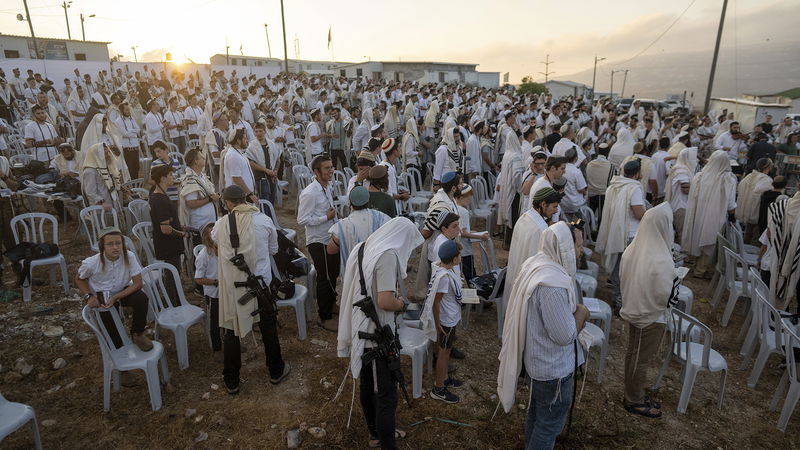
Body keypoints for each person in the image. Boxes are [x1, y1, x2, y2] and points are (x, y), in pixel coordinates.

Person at [497, 222, 589, 449]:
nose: (581, 251)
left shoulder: (537, 264)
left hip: (538, 363)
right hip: (552, 370)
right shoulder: (552, 285)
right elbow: (565, 335)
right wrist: (581, 314)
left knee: (537, 416)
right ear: (565, 247)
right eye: (578, 245)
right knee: (548, 425)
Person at [337, 218, 422, 449]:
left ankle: (375, 433)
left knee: (368, 385)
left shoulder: (364, 246)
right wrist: (401, 304)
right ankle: (385, 442)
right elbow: (385, 301)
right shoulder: (387, 256)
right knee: (386, 396)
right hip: (376, 335)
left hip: (363, 329)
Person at [212, 185, 289, 394]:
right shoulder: (264, 220)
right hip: (261, 284)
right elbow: (274, 250)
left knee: (231, 332)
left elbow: (214, 240)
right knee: (268, 328)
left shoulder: (220, 225)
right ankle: (276, 371)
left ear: (228, 203)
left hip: (233, 287)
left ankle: (232, 380)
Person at [620, 203, 677, 419]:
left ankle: (633, 393)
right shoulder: (661, 259)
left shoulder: (633, 249)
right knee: (641, 358)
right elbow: (664, 296)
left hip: (634, 308)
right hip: (651, 316)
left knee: (633, 353)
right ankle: (633, 399)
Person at [76, 227, 151, 351]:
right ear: (102, 247)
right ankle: (119, 353)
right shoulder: (91, 263)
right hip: (102, 296)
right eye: (110, 244)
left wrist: (116, 297)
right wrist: (89, 296)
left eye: (118, 243)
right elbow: (79, 279)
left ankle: (137, 333)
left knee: (141, 298)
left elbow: (138, 283)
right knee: (113, 333)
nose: (115, 247)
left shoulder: (129, 256)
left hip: (121, 290)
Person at [297, 155, 340, 332]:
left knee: (334, 272)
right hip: (318, 240)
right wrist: (326, 217)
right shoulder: (309, 192)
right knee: (325, 277)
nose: (331, 171)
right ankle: (324, 316)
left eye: (331, 167)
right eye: (326, 168)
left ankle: (330, 303)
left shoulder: (326, 186)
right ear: (316, 172)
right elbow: (302, 219)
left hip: (330, 237)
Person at [596, 159, 646, 307]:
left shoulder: (614, 185)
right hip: (630, 234)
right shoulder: (634, 188)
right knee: (627, 270)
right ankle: (621, 301)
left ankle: (617, 298)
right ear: (637, 174)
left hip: (616, 232)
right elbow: (638, 213)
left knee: (618, 266)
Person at [503, 186, 562, 313]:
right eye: (554, 206)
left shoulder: (525, 216)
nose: (556, 211)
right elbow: (536, 267)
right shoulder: (540, 229)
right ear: (543, 204)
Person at [421, 239, 464, 404]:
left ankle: (445, 378)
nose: (461, 257)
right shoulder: (444, 277)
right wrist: (438, 324)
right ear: (454, 259)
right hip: (446, 320)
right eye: (459, 255)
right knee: (443, 353)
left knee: (447, 349)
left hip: (450, 317)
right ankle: (438, 388)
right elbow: (436, 302)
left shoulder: (443, 268)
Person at [682, 150, 737, 279]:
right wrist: (733, 217)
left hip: (697, 213)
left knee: (697, 236)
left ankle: (696, 265)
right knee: (709, 239)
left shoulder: (699, 176)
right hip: (714, 215)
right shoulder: (727, 179)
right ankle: (701, 270)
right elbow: (730, 204)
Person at [149, 164, 187, 305]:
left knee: (174, 276)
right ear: (163, 178)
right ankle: (174, 306)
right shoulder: (159, 199)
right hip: (169, 246)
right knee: (172, 277)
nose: (173, 177)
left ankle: (176, 302)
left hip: (169, 245)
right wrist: (182, 234)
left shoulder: (160, 195)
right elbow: (165, 229)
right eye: (170, 175)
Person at [327, 186, 389, 268]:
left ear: (350, 203)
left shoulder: (341, 226)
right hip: (376, 270)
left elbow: (331, 250)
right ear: (368, 201)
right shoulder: (381, 218)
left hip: (353, 274)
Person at [194, 223, 221, 352]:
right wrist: (215, 282)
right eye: (212, 234)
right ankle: (217, 348)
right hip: (213, 293)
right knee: (214, 321)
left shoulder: (224, 249)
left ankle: (230, 342)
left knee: (230, 317)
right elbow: (198, 279)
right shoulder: (204, 255)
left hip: (226, 291)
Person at [179, 148, 219, 231]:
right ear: (195, 161)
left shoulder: (201, 176)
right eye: (201, 157)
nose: (204, 158)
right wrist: (210, 199)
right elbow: (191, 203)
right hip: (200, 225)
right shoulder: (190, 180)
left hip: (209, 222)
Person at [454, 185, 488, 282]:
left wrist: (472, 232)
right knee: (470, 275)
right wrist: (480, 236)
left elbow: (461, 229)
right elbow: (463, 233)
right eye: (468, 199)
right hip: (465, 249)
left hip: (457, 247)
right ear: (460, 198)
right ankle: (475, 292)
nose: (470, 201)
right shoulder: (464, 211)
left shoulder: (453, 207)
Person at [736, 158, 774, 241]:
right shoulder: (766, 180)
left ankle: (744, 247)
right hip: (757, 210)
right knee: (756, 235)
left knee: (748, 231)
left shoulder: (749, 176)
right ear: (768, 167)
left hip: (747, 208)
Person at [665, 147, 697, 242]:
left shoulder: (678, 168)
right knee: (682, 235)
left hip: (676, 205)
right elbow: (685, 189)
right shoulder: (682, 172)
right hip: (680, 207)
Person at [81, 142, 123, 213]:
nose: (108, 156)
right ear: (97, 156)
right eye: (105, 154)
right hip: (101, 206)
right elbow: (90, 192)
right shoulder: (90, 171)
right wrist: (102, 202)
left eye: (108, 153)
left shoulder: (105, 166)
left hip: (111, 201)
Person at [246, 121, 281, 205]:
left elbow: (277, 159)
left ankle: (270, 218)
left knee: (272, 201)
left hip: (272, 177)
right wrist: (266, 170)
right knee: (264, 201)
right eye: (256, 131)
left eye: (260, 131)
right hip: (260, 178)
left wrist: (275, 170)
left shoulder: (272, 144)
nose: (258, 133)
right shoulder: (251, 146)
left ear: (265, 132)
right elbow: (251, 163)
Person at [220, 129, 257, 201]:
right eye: (244, 138)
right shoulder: (232, 156)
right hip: (239, 196)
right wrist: (249, 194)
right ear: (238, 141)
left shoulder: (238, 153)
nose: (247, 141)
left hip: (244, 194)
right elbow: (236, 178)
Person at [586, 142, 614, 215]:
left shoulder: (590, 164)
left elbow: (587, 178)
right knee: (602, 219)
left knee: (589, 216)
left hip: (591, 195)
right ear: (608, 152)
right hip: (604, 196)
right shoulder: (611, 166)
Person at [560, 147, 587, 217]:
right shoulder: (576, 171)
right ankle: (578, 226)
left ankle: (571, 226)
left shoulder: (561, 169)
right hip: (574, 205)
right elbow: (581, 189)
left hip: (564, 203)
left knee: (569, 222)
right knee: (579, 223)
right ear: (576, 158)